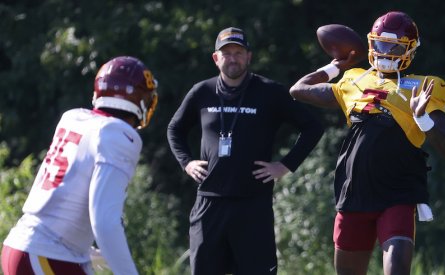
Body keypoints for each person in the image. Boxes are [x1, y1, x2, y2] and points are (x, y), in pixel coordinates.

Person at [289, 11, 445, 275]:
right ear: (370, 44)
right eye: (381, 44)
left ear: (410, 50)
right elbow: (298, 89)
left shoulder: (425, 86)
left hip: (398, 192)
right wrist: (336, 65)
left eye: (395, 47)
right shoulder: (353, 78)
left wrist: (421, 117)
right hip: (354, 192)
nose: (386, 52)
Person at [167, 27, 323, 275]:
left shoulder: (270, 91)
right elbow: (174, 129)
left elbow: (312, 127)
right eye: (226, 53)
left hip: (253, 205)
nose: (233, 58)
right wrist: (186, 162)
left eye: (238, 52)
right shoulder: (202, 92)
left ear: (248, 56)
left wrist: (284, 166)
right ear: (216, 58)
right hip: (209, 203)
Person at [1, 56, 159, 275]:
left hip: (30, 248)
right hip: (48, 253)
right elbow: (104, 222)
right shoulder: (118, 135)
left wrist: (82, 246)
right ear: (139, 99)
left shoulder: (74, 118)